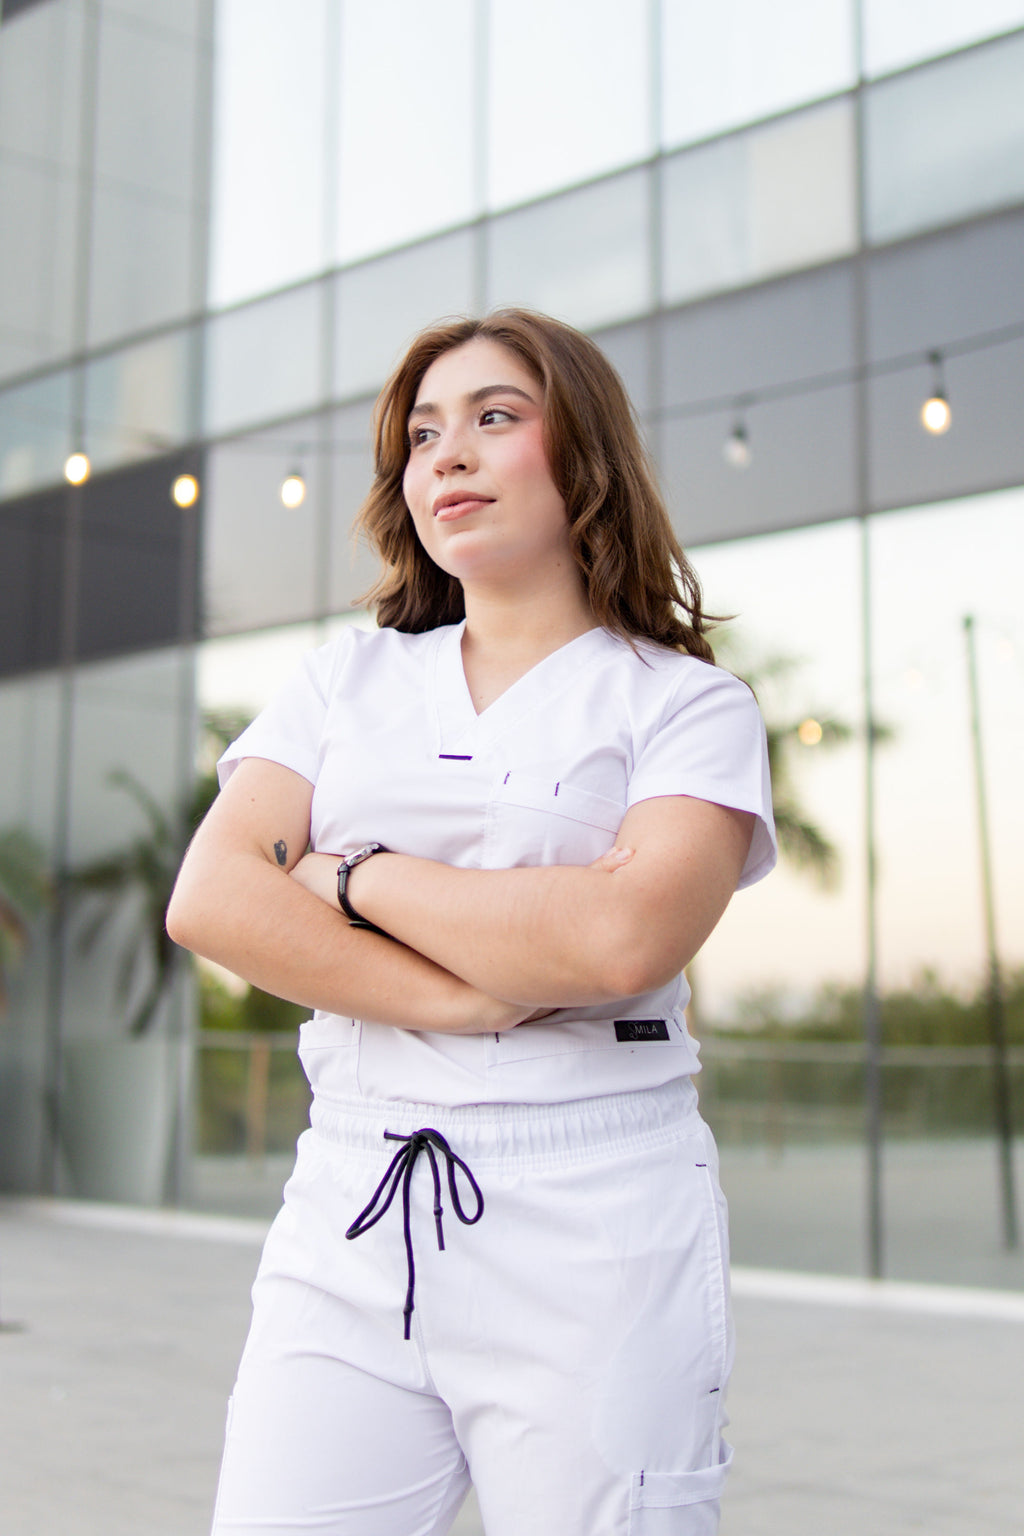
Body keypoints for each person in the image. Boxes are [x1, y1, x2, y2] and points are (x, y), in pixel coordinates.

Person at [167, 308, 776, 1536]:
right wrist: (469, 998)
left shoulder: (687, 706)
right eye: (422, 433)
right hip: (353, 1193)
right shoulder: (345, 680)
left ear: (584, 454)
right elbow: (216, 897)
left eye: (495, 418)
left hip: (593, 1216)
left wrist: (355, 877)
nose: (445, 454)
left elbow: (618, 939)